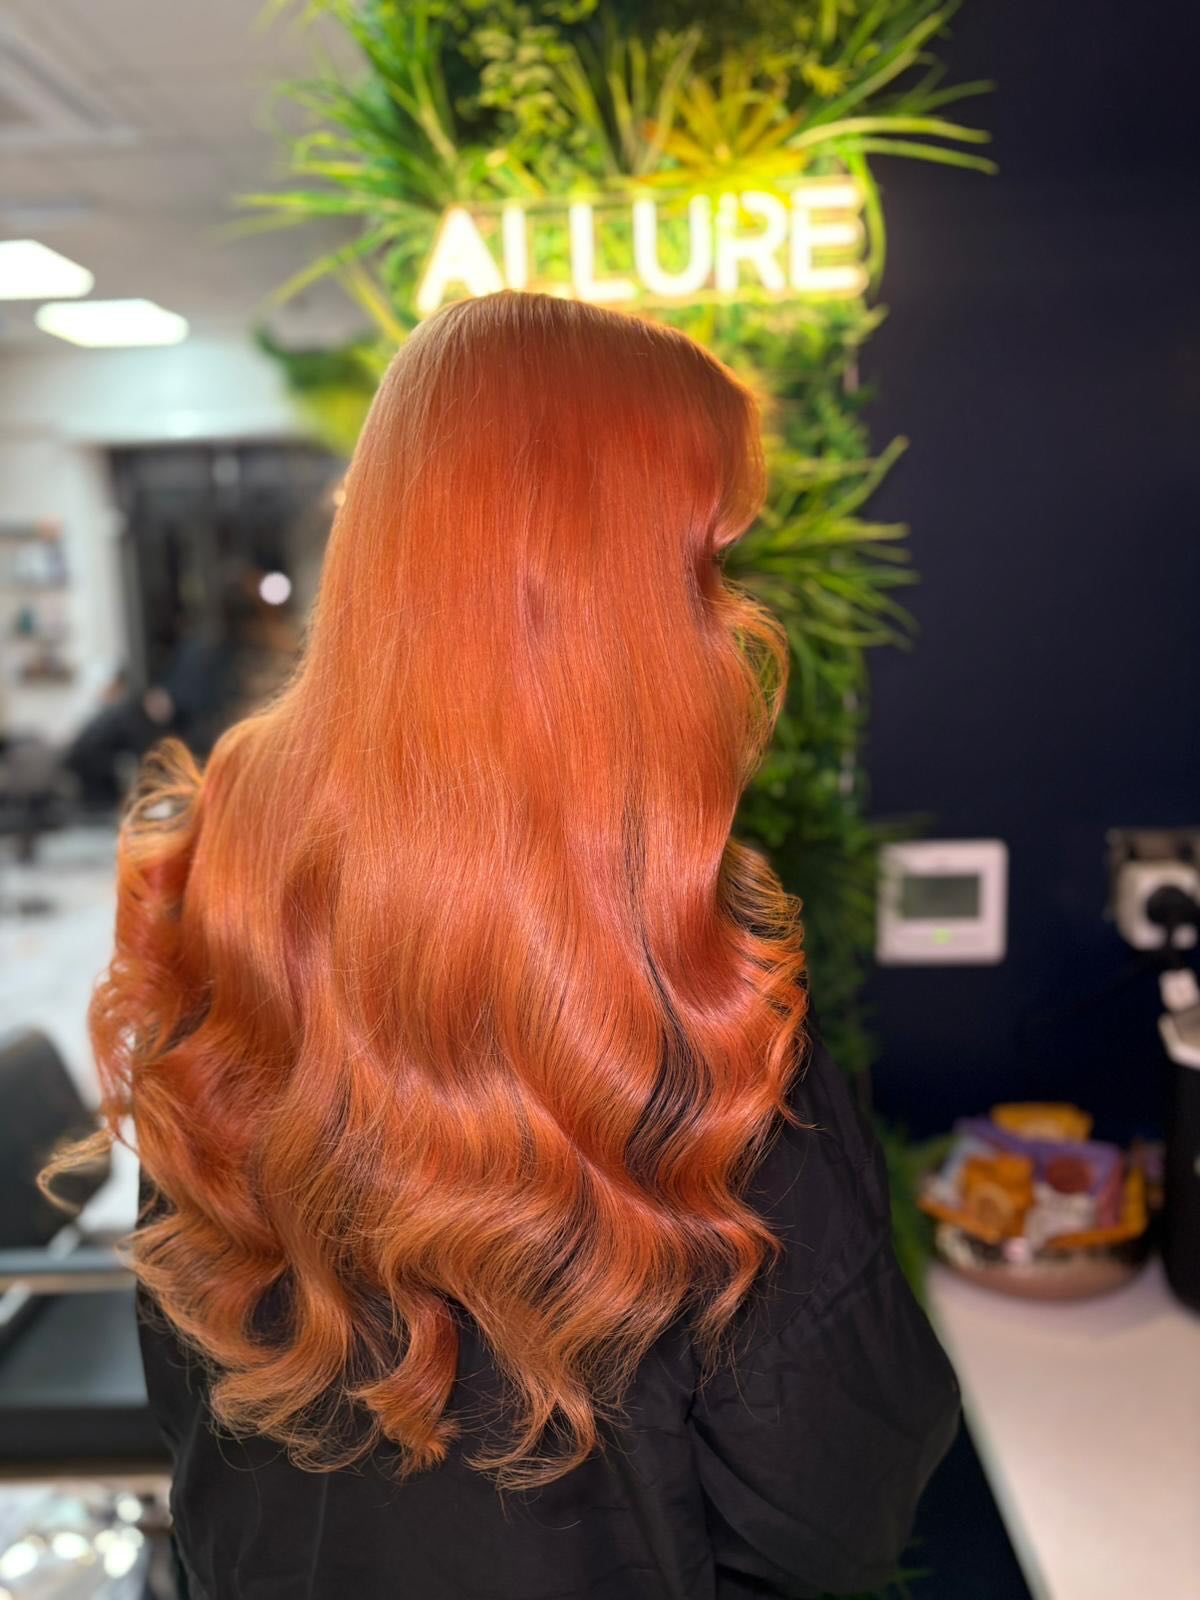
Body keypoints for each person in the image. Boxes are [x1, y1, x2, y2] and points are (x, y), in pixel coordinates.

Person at [53, 292, 959, 1599]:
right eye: (703, 573)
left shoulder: (223, 916)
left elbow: (190, 1379)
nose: (731, 626)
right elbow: (826, 1510)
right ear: (615, 618)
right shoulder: (690, 1022)